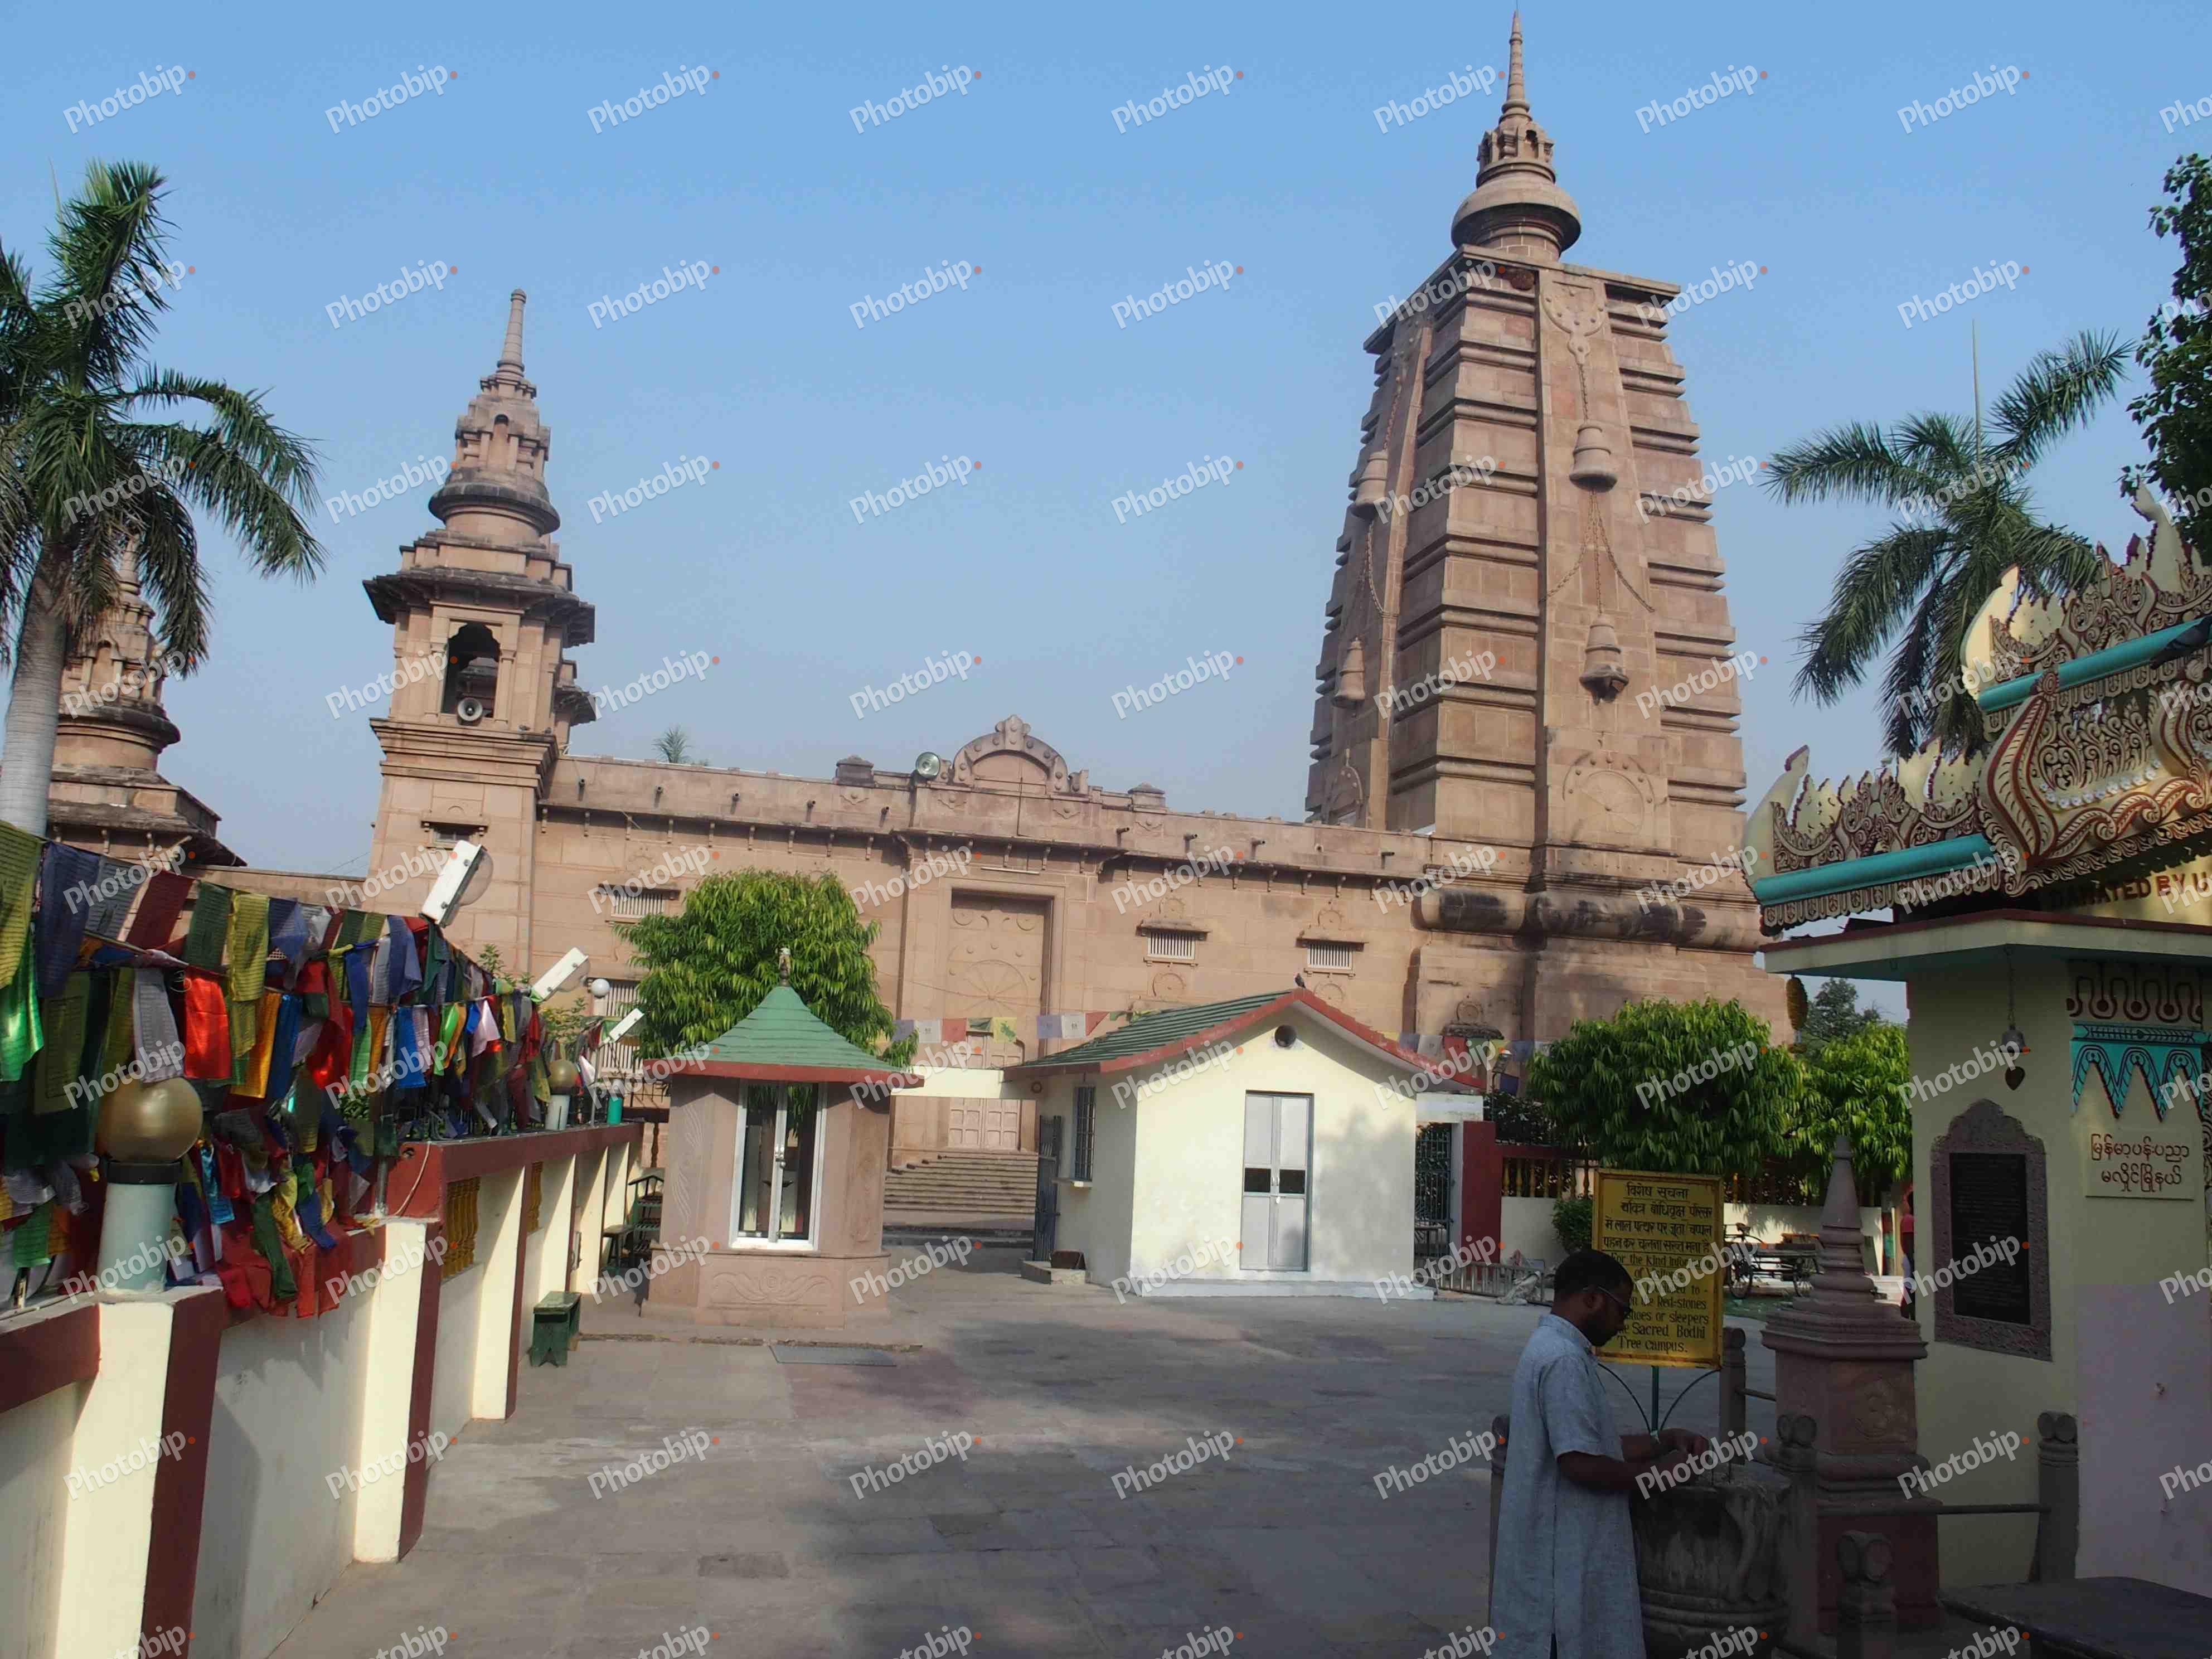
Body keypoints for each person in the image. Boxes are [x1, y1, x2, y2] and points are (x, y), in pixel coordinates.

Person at [1490, 1249, 1710, 1659]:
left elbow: (1590, 1444)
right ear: (1592, 1298)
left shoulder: (1555, 1348)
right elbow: (1579, 1464)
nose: (1623, 1323)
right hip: (1561, 1572)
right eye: (1622, 1310)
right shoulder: (1563, 1360)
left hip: (1556, 1564)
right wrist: (1660, 1474)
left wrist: (1664, 1439)